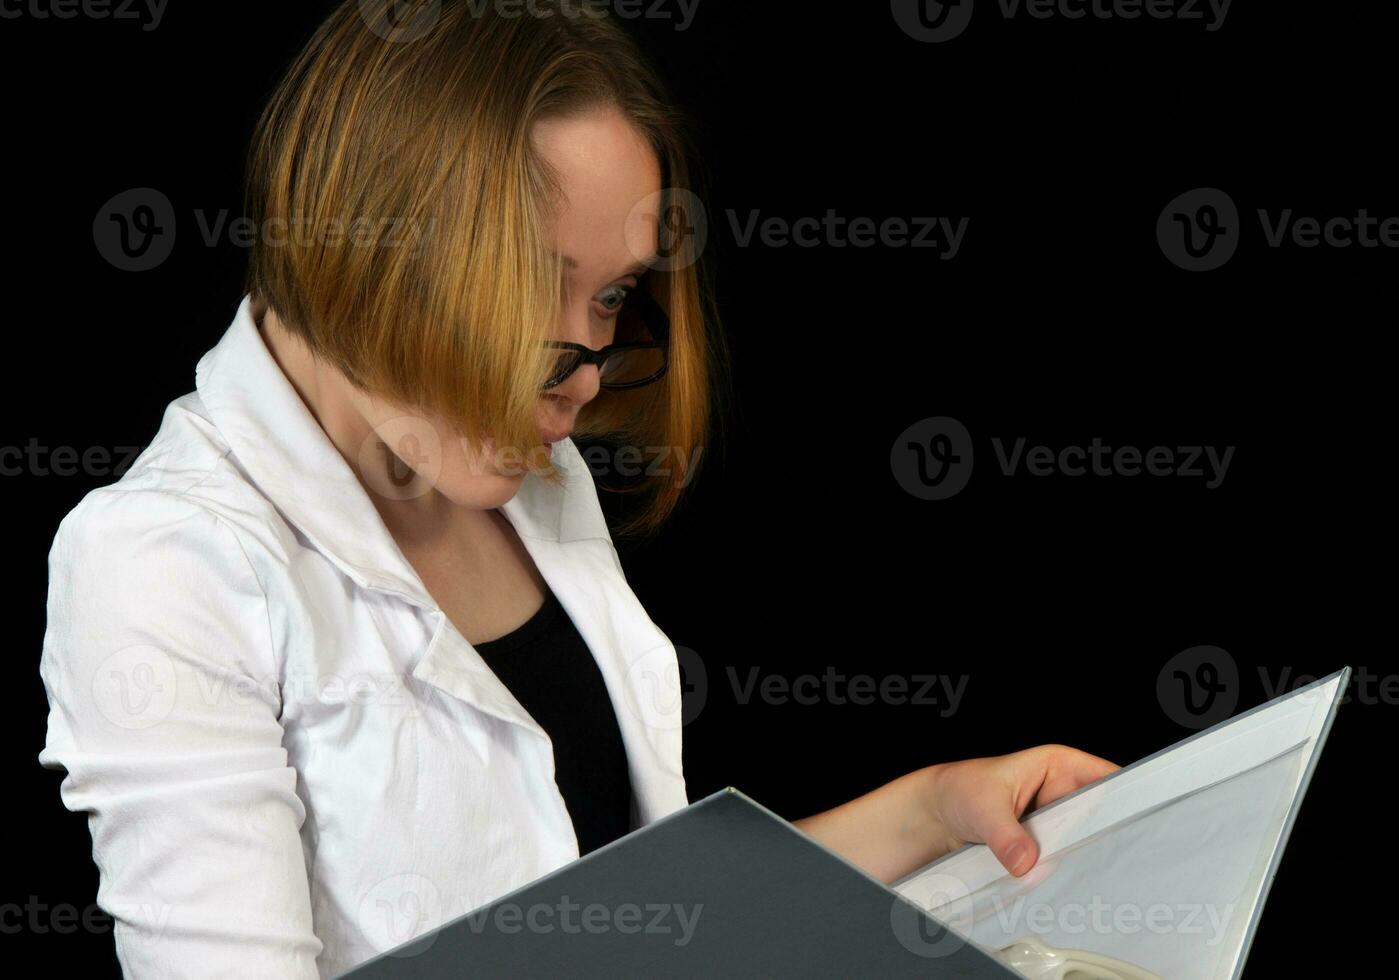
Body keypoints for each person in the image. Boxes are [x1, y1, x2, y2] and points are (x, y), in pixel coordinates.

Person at [37, 2, 1117, 975]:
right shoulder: (161, 562)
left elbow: (637, 914)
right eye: (529, 281)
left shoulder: (523, 473)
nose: (585, 369)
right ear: (359, 242)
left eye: (610, 295)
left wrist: (934, 809)